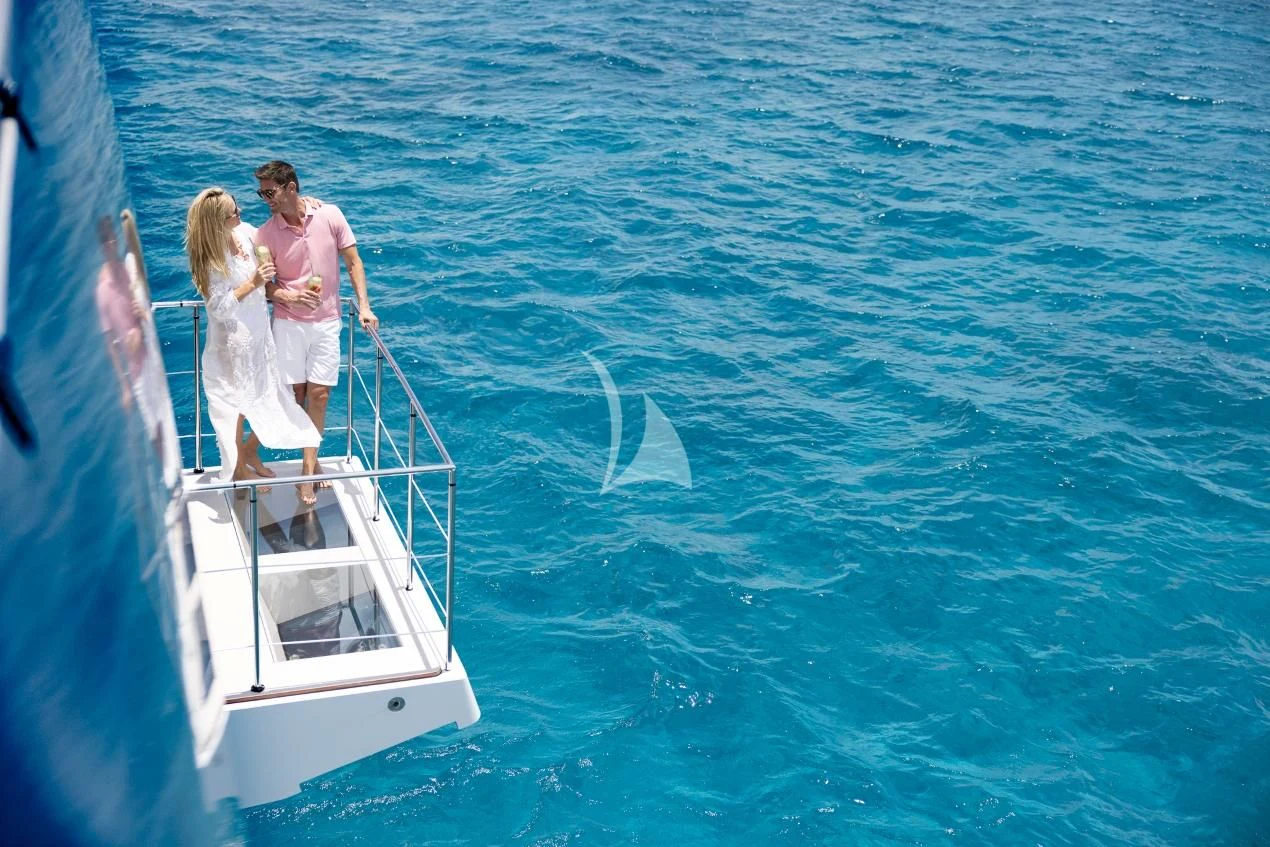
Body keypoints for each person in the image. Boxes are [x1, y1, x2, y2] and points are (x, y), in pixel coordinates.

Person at [185, 187, 322, 502]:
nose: (240, 213)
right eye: (233, 212)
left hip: (259, 335)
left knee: (264, 396)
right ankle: (239, 471)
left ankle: (249, 456)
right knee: (236, 405)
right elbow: (218, 307)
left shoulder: (245, 233)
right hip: (233, 342)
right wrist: (254, 283)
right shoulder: (210, 257)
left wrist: (304, 203)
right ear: (217, 221)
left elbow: (276, 225)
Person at [253, 160, 378, 485]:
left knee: (319, 394)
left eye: (270, 191)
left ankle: (309, 468)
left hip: (326, 322)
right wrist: (287, 297)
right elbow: (265, 287)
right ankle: (257, 450)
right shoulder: (264, 236)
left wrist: (364, 306)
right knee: (295, 395)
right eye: (261, 193)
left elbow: (353, 262)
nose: (266, 199)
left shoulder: (330, 215)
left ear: (291, 188)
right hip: (288, 322)